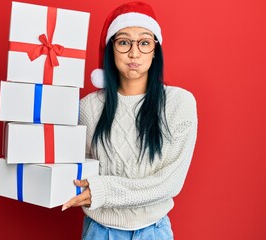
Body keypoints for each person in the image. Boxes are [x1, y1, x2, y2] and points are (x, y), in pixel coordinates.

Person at [62, 1, 198, 239]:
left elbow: (170, 183)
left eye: (145, 42)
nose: (134, 53)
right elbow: (75, 169)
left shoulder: (179, 103)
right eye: (124, 42)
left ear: (155, 49)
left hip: (154, 231)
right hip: (99, 232)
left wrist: (104, 190)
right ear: (110, 49)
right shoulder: (88, 108)